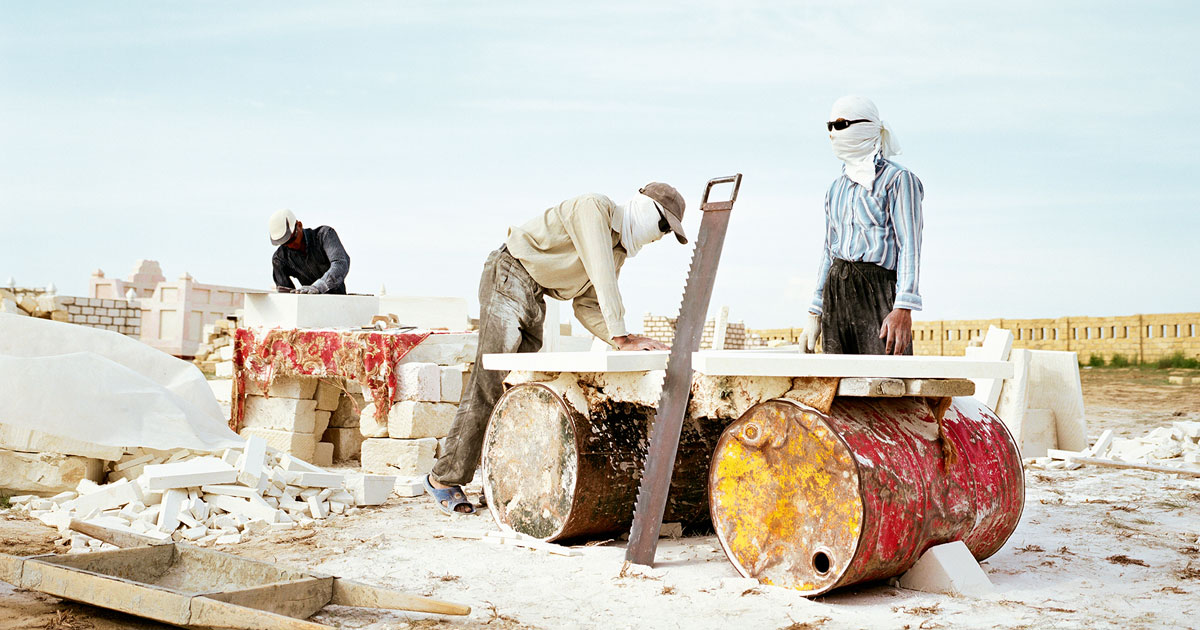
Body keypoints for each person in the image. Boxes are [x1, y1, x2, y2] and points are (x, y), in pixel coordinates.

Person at [425, 183, 688, 514]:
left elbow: (588, 306)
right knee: (490, 380)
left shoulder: (616, 253)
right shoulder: (595, 209)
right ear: (647, 208)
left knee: (514, 390)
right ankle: (443, 479)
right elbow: (601, 272)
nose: (660, 236)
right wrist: (620, 335)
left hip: (535, 297)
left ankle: (494, 483)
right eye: (663, 225)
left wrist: (625, 340)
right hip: (510, 275)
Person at [798, 96, 924, 356]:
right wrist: (815, 311)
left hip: (877, 290)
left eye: (841, 125)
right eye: (829, 126)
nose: (833, 133)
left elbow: (909, 245)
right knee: (838, 386)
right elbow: (828, 251)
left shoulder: (898, 180)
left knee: (885, 384)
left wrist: (903, 308)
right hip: (837, 291)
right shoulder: (836, 189)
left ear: (866, 127)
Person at [268, 209, 350, 294]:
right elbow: (286, 295)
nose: (290, 245)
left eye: (292, 239)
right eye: (285, 243)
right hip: (309, 304)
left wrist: (319, 287)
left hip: (338, 302)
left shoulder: (324, 236)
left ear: (299, 225)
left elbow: (340, 264)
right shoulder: (280, 259)